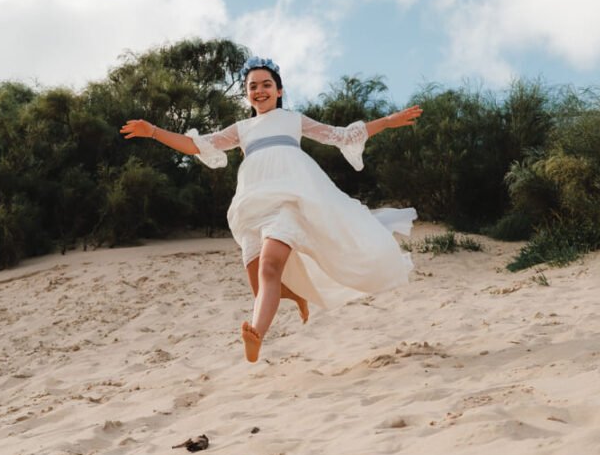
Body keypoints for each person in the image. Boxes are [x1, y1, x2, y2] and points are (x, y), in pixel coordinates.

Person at [120, 56, 421, 363]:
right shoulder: (241, 128)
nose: (260, 90)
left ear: (279, 90)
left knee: (269, 268)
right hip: (252, 204)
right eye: (253, 86)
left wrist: (387, 121)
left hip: (290, 198)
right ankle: (295, 295)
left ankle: (255, 334)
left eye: (266, 85)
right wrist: (153, 131)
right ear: (246, 94)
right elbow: (196, 145)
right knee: (259, 281)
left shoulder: (293, 120)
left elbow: (342, 136)